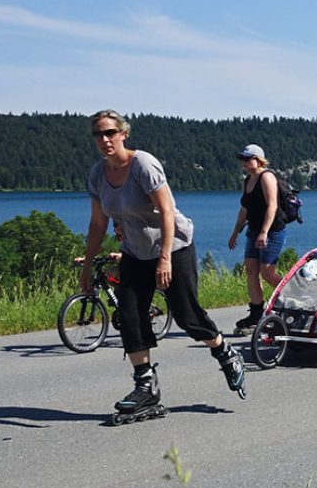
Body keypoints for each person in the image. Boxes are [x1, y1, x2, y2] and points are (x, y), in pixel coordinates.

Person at [80, 110, 245, 419]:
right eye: (98, 135)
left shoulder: (142, 164)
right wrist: (87, 265)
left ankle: (223, 350)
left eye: (110, 133)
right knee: (129, 314)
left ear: (123, 134)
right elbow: (97, 224)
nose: (104, 140)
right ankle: (145, 386)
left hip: (174, 246)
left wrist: (165, 257)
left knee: (187, 316)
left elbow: (167, 212)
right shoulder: (97, 175)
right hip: (135, 252)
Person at [227, 144, 287, 334]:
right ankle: (256, 314)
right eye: (243, 159)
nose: (244, 162)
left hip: (273, 231)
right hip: (253, 230)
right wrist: (235, 232)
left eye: (248, 158)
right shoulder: (248, 181)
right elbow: (244, 208)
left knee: (267, 272)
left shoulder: (266, 177)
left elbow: (272, 206)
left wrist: (264, 232)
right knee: (251, 270)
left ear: (259, 160)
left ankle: (293, 298)